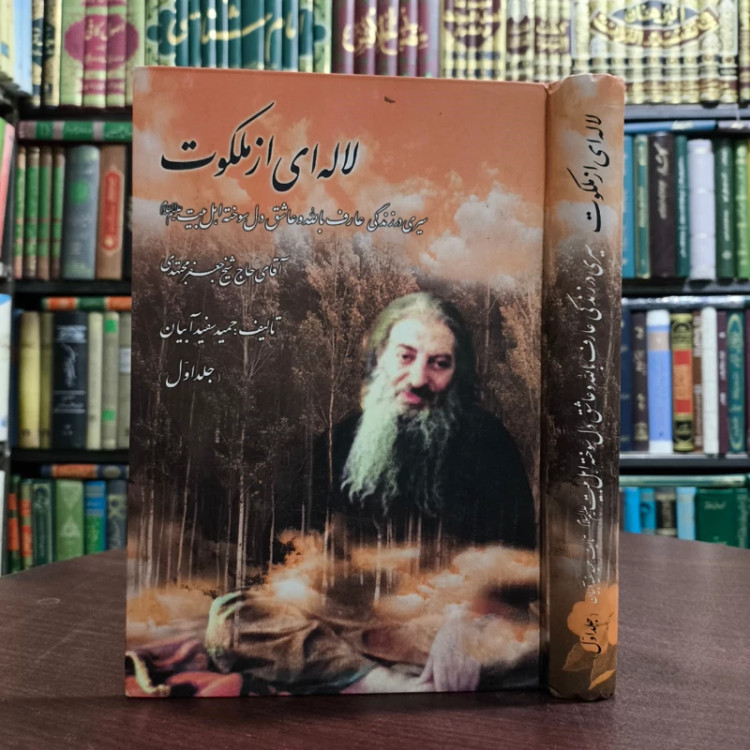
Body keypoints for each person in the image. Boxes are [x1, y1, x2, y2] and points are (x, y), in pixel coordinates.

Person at [314, 291, 536, 552]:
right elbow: (295, 552)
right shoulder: (336, 444)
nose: (418, 379)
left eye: (439, 363)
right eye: (405, 357)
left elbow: (515, 557)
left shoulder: (490, 446)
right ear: (379, 357)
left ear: (458, 371)